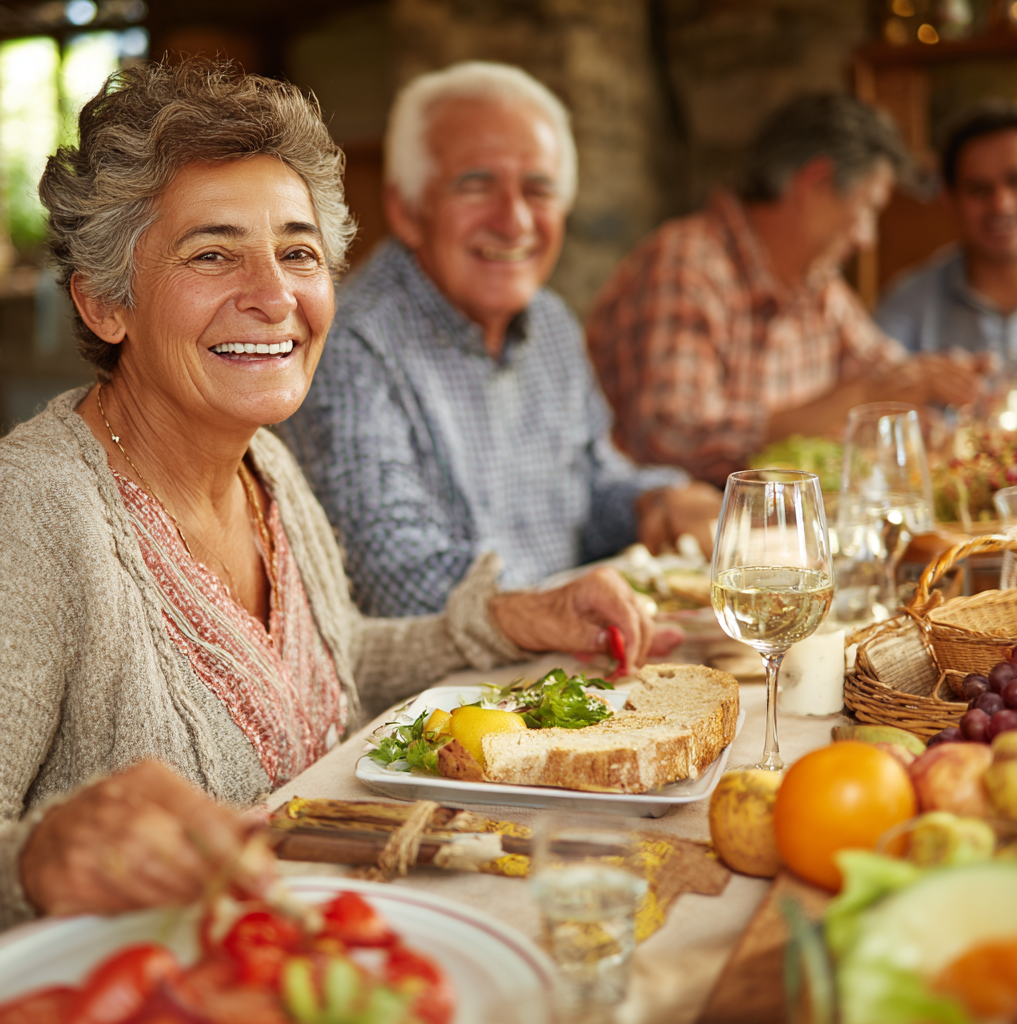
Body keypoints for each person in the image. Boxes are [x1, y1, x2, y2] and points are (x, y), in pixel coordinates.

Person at [0, 59, 665, 931]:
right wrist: (40, 854)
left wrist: (505, 621)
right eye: (212, 253)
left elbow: (334, 667)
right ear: (104, 304)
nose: (274, 296)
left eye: (298, 253)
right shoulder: (36, 513)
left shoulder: (266, 468)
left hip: (310, 954)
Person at [279, 62, 722, 620]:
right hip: (442, 699)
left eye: (538, 189)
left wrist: (657, 501)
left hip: (560, 673)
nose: (514, 221)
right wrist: (560, 611)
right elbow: (400, 582)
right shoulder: (349, 344)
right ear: (408, 211)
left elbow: (592, 484)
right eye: (476, 185)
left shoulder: (551, 321)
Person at [586, 93, 985, 488]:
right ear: (814, 183)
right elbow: (669, 437)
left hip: (794, 537)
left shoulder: (817, 284)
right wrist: (861, 397)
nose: (867, 238)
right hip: (689, 542)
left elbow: (885, 374)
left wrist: (939, 384)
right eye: (867, 208)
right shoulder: (686, 265)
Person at [876, 101, 1017, 371]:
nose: (1001, 204)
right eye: (979, 189)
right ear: (949, 200)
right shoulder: (907, 305)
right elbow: (876, 397)